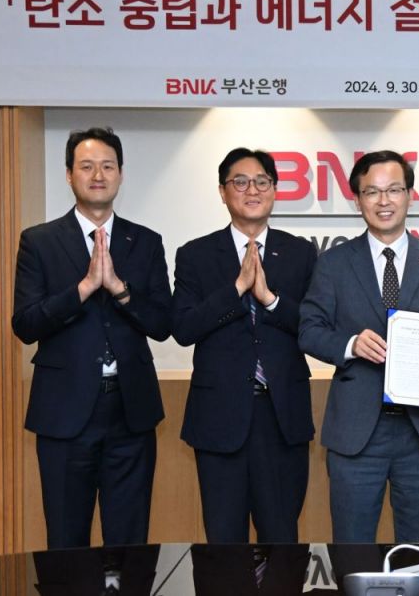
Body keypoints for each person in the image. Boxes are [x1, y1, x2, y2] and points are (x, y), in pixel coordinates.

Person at [12, 127, 170, 548]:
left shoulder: (146, 241)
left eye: (107, 166)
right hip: (63, 413)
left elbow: (162, 323)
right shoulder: (39, 242)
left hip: (131, 412)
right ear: (69, 174)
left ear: (121, 174)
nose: (98, 175)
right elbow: (26, 324)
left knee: (130, 544)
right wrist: (82, 289)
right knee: (66, 543)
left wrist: (119, 289)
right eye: (86, 166)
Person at [299, 150, 419, 543]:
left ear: (410, 196)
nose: (383, 200)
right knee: (352, 548)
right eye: (372, 191)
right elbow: (309, 330)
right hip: (356, 432)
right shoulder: (333, 263)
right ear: (358, 200)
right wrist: (352, 344)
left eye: (394, 190)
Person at [172, 147, 316, 543]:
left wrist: (269, 299)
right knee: (223, 542)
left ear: (275, 190)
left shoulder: (301, 253)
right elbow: (182, 328)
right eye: (240, 182)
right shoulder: (196, 255)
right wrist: (236, 289)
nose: (252, 190)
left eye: (261, 182)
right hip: (218, 417)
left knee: (282, 540)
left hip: (282, 416)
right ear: (222, 192)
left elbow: (315, 327)